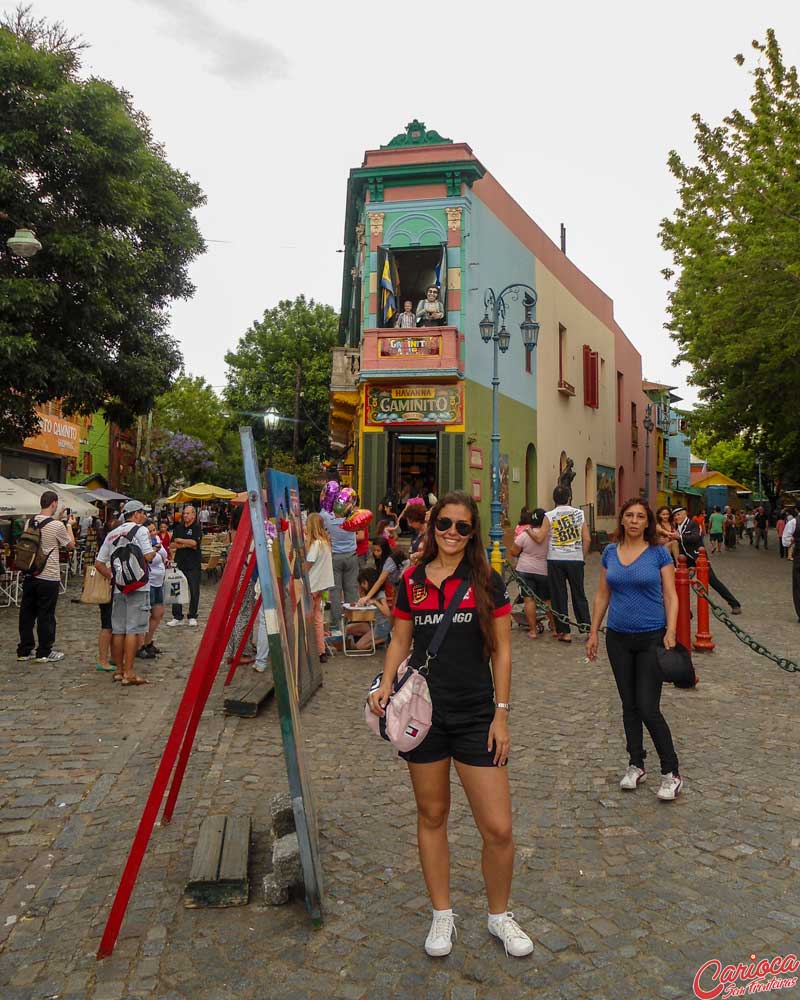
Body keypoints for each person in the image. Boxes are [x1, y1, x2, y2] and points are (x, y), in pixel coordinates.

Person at [367, 491, 534, 959]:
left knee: (498, 828)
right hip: (424, 715)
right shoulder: (412, 579)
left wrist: (502, 713)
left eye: (463, 527)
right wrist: (385, 682)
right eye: (445, 525)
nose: (453, 534)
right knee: (432, 814)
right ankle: (442, 914)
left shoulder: (487, 580)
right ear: (431, 526)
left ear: (473, 532)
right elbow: (401, 637)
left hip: (477, 713)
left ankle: (499, 916)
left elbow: (502, 650)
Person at [586, 499, 683, 801]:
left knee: (647, 706)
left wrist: (671, 630)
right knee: (629, 704)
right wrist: (593, 632)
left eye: (640, 516)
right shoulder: (610, 552)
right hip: (618, 638)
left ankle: (671, 772)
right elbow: (603, 594)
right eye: (629, 515)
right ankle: (635, 764)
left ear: (648, 522)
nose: (634, 521)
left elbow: (671, 595)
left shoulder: (658, 553)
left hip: (651, 637)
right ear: (622, 520)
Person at [94, 499, 155, 686]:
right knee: (133, 630)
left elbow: (99, 563)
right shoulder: (141, 530)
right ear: (135, 514)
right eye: (142, 513)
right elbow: (147, 556)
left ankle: (119, 670)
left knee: (118, 630)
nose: (144, 516)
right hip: (138, 586)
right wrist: (154, 550)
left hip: (120, 587)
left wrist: (114, 577)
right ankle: (129, 672)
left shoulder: (112, 533)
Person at [16, 490, 75, 663]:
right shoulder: (57, 525)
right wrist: (69, 525)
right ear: (54, 503)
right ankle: (44, 651)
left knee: (27, 613)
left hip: (30, 573)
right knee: (46, 614)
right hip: (48, 576)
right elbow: (70, 545)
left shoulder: (30, 521)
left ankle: (24, 650)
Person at [529, 485, 591, 642]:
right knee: (579, 594)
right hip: (575, 559)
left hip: (555, 559)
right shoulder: (580, 514)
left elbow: (540, 538)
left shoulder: (549, 516)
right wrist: (581, 557)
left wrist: (529, 531)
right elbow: (587, 539)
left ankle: (565, 632)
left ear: (554, 499)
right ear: (569, 498)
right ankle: (586, 628)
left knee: (559, 596)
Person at [673, 506, 742, 613]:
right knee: (678, 582)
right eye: (675, 516)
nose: (676, 517)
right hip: (687, 560)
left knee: (713, 581)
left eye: (678, 514)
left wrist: (680, 537)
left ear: (684, 514)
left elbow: (696, 538)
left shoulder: (692, 524)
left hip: (699, 558)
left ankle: (734, 604)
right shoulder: (677, 527)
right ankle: (683, 609)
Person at [509, 509, 556, 639]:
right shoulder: (549, 536)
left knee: (528, 599)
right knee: (547, 601)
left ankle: (533, 631)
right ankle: (555, 628)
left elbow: (513, 551)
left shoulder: (524, 535)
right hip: (543, 571)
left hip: (525, 570)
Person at [320, 490, 359, 626]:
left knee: (335, 592)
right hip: (351, 556)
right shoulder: (352, 518)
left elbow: (322, 511)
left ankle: (336, 623)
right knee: (351, 589)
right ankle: (352, 621)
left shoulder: (328, 519)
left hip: (335, 557)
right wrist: (350, 505)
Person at [304, 513, 334, 664]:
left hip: (312, 584)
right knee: (317, 618)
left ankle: (308, 649)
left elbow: (308, 563)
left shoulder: (316, 544)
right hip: (321, 585)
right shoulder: (326, 542)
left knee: (307, 619)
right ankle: (321, 651)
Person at [167, 504, 202, 627]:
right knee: (176, 590)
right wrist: (185, 544)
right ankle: (177, 616)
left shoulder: (197, 528)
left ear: (193, 514)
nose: (185, 515)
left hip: (193, 564)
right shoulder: (178, 528)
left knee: (194, 590)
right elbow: (171, 545)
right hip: (179, 562)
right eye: (184, 513)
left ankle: (192, 615)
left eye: (187, 513)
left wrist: (180, 541)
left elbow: (194, 543)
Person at [138, 521, 167, 659]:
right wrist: (154, 550)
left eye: (154, 529)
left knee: (158, 613)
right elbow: (146, 559)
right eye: (150, 531)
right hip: (149, 582)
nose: (153, 533)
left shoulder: (157, 540)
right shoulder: (143, 544)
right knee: (145, 616)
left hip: (158, 582)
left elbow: (163, 555)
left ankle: (148, 642)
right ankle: (140, 646)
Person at [94, 517, 119, 673]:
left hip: (113, 588)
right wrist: (112, 576)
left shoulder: (108, 543)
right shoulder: (108, 545)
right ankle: (103, 660)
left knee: (112, 626)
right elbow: (100, 564)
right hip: (107, 588)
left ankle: (113, 658)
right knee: (107, 626)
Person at [347, 568, 392, 650]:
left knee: (359, 646)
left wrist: (375, 602)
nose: (362, 586)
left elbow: (387, 613)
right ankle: (374, 639)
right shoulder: (369, 594)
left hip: (382, 626)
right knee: (347, 629)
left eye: (363, 583)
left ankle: (383, 639)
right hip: (373, 625)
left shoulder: (380, 594)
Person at [358, 536, 404, 607]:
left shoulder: (389, 560)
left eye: (378, 551)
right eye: (374, 550)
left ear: (384, 550)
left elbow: (381, 580)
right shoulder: (380, 560)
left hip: (403, 585)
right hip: (397, 586)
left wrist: (367, 597)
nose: (376, 553)